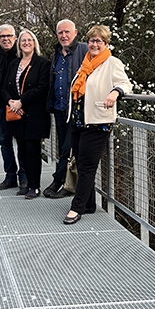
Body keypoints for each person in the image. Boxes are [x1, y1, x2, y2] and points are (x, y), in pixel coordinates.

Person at [63, 25, 132, 224]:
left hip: (98, 122)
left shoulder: (112, 62)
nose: (94, 44)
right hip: (78, 120)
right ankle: (89, 204)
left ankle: (76, 208)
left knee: (87, 166)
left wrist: (115, 92)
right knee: (80, 161)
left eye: (98, 41)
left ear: (106, 44)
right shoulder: (86, 63)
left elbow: (126, 83)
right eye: (92, 41)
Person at [2, 29, 51, 199]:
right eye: (23, 40)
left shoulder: (43, 63)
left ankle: (34, 186)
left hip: (34, 114)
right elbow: (4, 88)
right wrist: (11, 102)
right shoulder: (13, 64)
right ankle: (26, 184)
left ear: (34, 43)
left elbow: (42, 88)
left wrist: (22, 100)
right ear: (19, 44)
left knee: (32, 150)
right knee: (21, 150)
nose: (26, 43)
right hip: (17, 115)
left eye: (29, 40)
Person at [43, 19, 88, 199]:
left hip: (76, 109)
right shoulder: (56, 54)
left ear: (75, 32)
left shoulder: (83, 49)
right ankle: (67, 183)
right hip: (60, 108)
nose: (64, 35)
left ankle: (60, 182)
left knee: (68, 147)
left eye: (67, 32)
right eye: (60, 32)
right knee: (64, 146)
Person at [0, 24, 27, 191]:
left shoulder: (21, 56)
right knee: (5, 143)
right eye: (2, 36)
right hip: (0, 106)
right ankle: (10, 176)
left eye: (9, 36)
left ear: (15, 37)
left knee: (22, 142)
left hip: (18, 106)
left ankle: (24, 177)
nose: (6, 39)